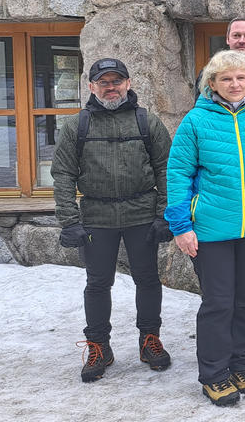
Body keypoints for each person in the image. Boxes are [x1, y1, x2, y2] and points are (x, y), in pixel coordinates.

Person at [166, 49, 245, 406]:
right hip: (211, 231)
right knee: (218, 304)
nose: (235, 84)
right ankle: (214, 373)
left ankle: (241, 364)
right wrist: (181, 226)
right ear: (213, 84)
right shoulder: (195, 121)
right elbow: (178, 176)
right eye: (226, 79)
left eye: (241, 78)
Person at [52, 58, 174, 382]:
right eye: (103, 82)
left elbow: (166, 169)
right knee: (97, 283)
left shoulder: (147, 122)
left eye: (116, 81)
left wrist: (165, 214)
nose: (111, 87)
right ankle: (99, 345)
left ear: (128, 83)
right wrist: (68, 220)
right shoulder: (77, 125)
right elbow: (63, 173)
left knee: (147, 280)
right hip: (96, 217)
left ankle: (149, 340)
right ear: (91, 87)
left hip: (141, 214)